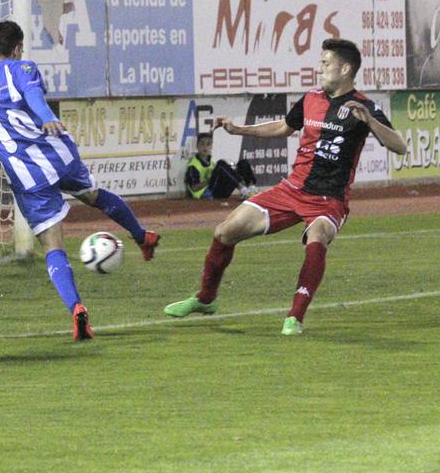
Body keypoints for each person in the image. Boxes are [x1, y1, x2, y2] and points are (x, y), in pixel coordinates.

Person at [164, 38, 407, 335]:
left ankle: (295, 317)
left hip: (329, 199)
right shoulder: (311, 99)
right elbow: (284, 126)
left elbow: (400, 146)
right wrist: (238, 129)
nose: (320, 68)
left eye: (326, 63)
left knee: (316, 238)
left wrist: (371, 122)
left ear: (345, 69)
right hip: (291, 190)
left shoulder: (364, 107)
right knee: (224, 232)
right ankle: (205, 299)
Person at [0, 20, 160, 340]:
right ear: (17, 49)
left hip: (25, 172)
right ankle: (142, 236)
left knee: (52, 245)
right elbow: (33, 96)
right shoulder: (23, 67)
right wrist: (46, 118)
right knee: (94, 195)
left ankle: (76, 308)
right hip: (56, 153)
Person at [184, 131, 258, 201]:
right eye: (202, 144)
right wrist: (210, 180)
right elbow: (194, 188)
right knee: (221, 164)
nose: (205, 147)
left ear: (211, 146)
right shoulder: (193, 165)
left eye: (208, 144)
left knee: (242, 163)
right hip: (205, 195)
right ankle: (243, 190)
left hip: (218, 191)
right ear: (197, 146)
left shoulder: (211, 162)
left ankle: (251, 188)